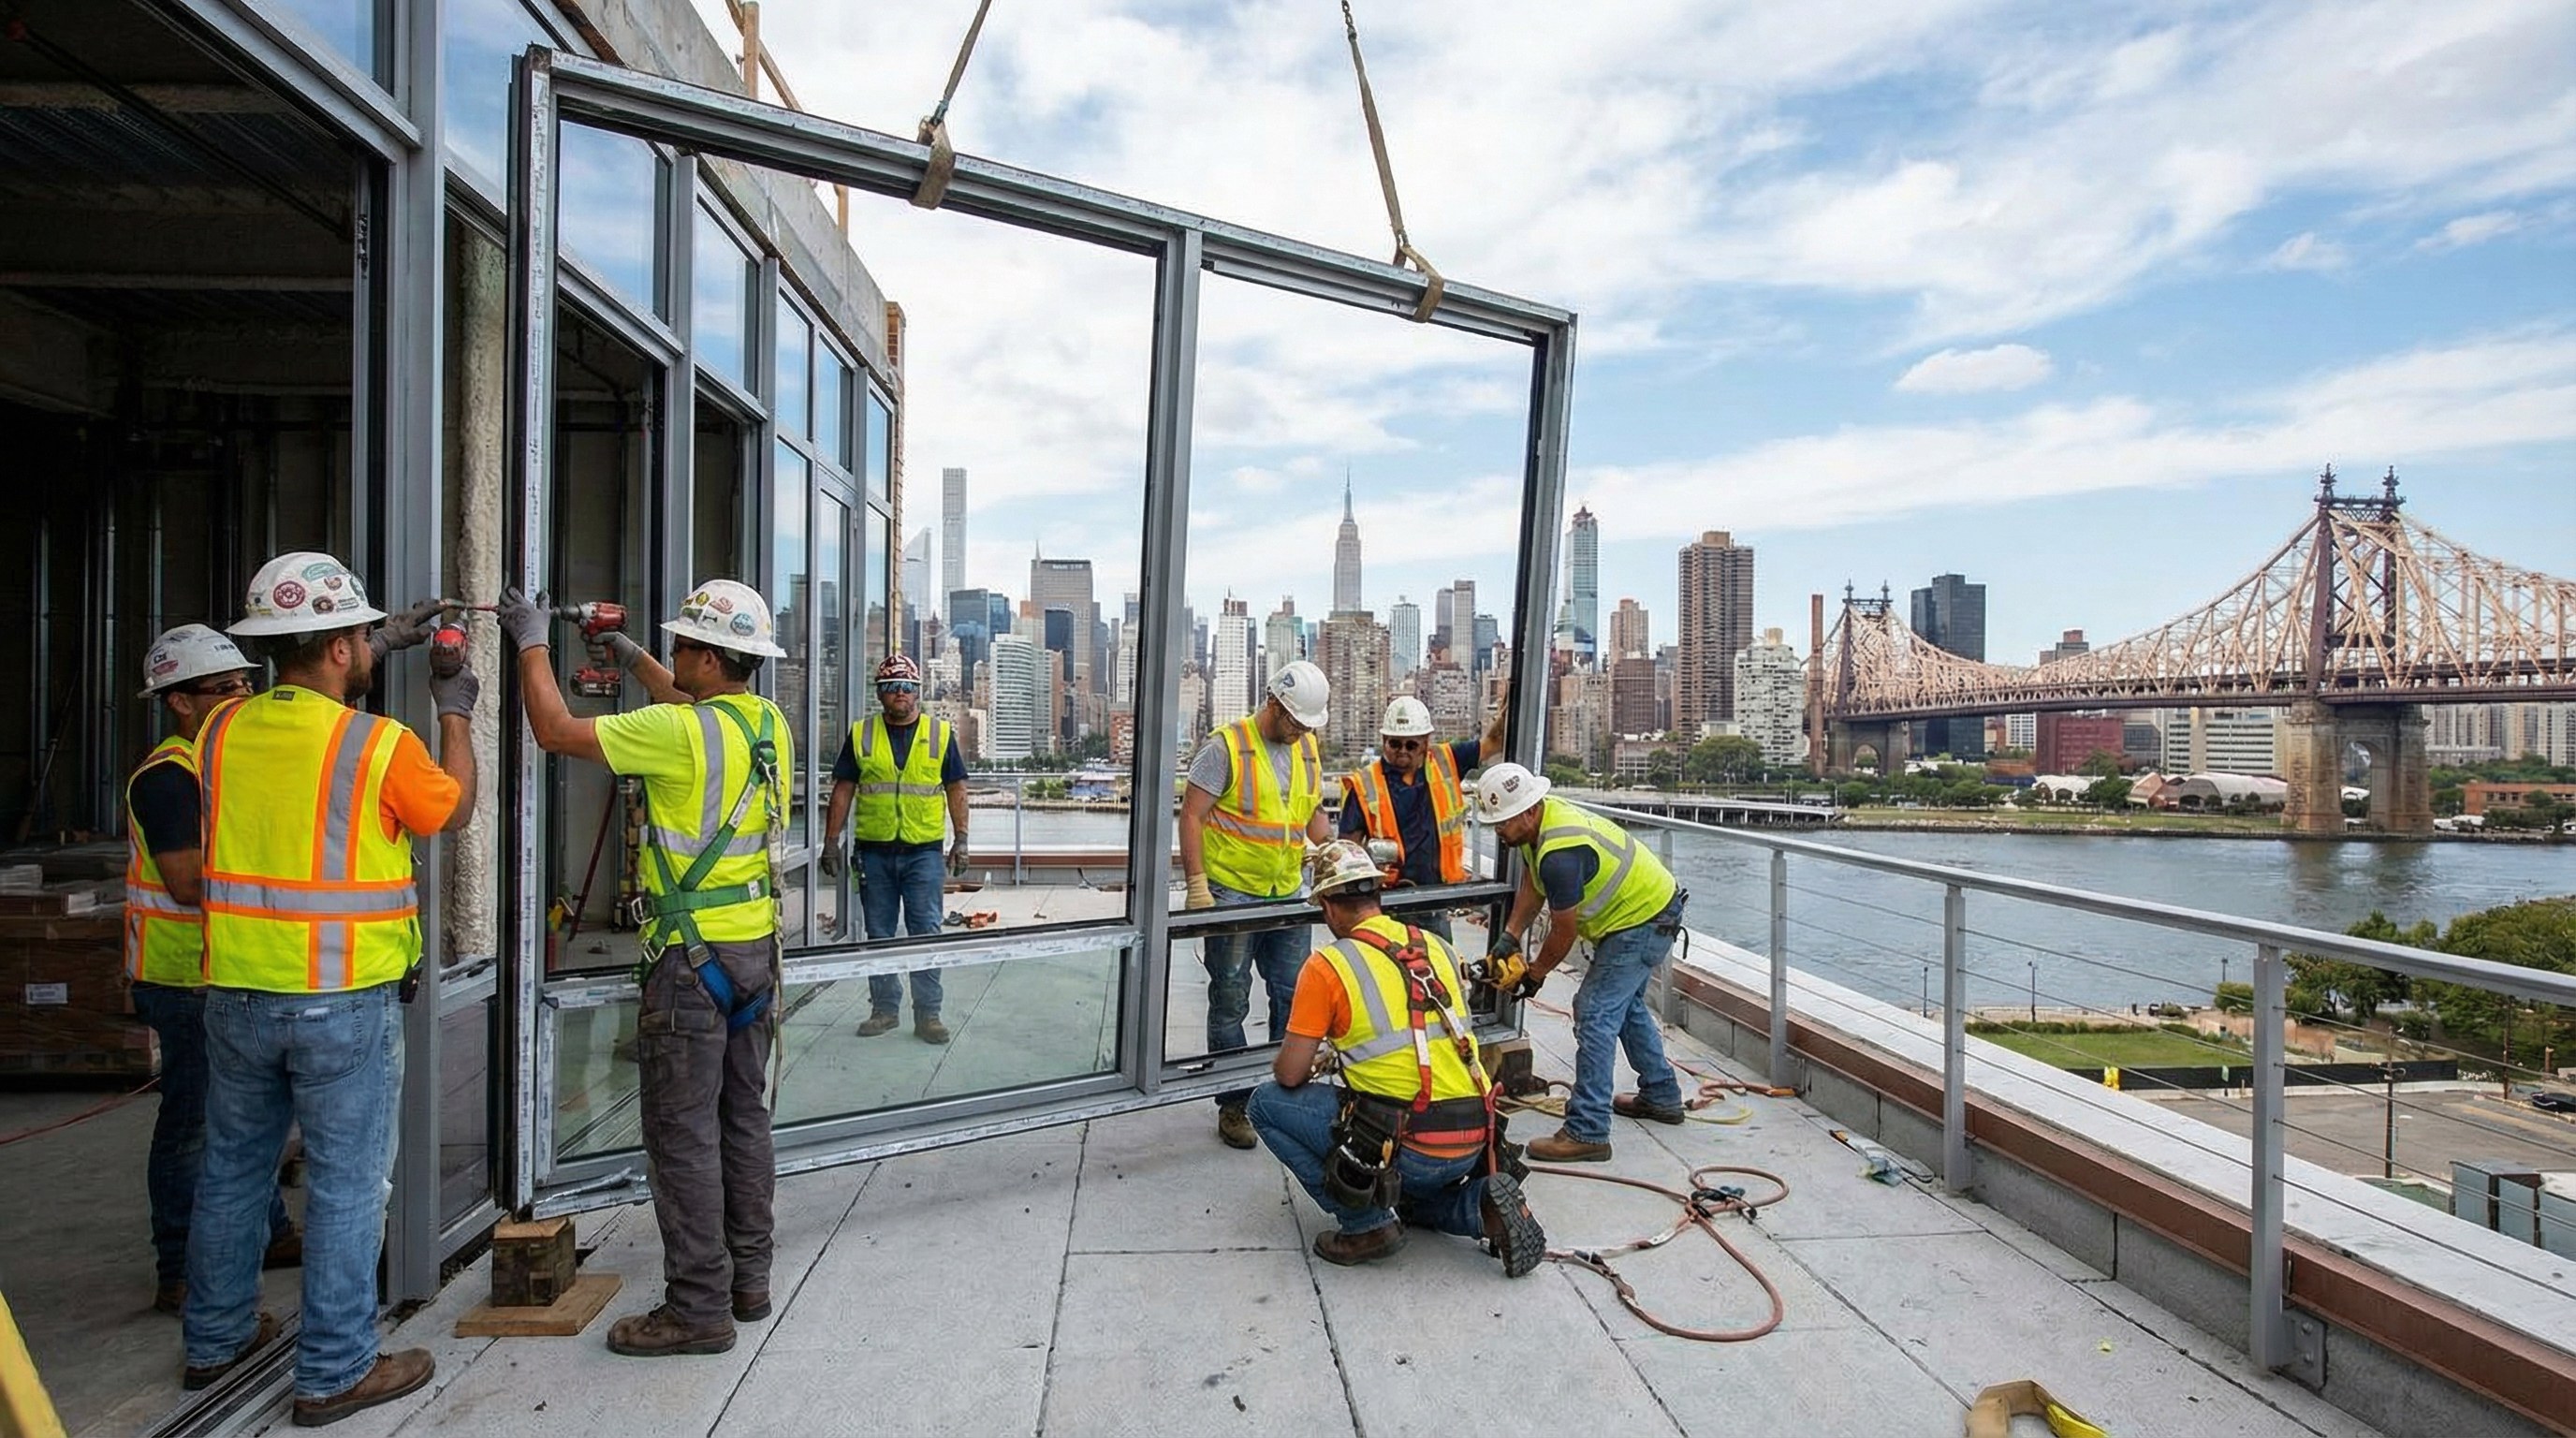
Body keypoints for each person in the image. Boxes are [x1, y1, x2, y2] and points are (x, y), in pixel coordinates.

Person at [183, 554, 473, 1426]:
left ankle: (216, 1340)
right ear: (342, 649)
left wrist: (369, 639)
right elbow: (451, 808)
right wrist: (454, 707)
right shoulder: (379, 743)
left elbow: (302, 714)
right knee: (349, 1185)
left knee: (233, 1172)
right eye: (359, 637)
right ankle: (335, 1370)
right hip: (342, 997)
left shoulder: (218, 732)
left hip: (235, 990)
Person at [505, 580, 791, 1359]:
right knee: (743, 1119)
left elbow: (555, 729)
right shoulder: (765, 723)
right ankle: (748, 1282)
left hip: (688, 968)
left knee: (681, 1137)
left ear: (706, 654)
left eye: (679, 646)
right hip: (752, 958)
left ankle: (698, 1310)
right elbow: (686, 703)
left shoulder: (676, 733)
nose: (671, 656)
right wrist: (625, 654)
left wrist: (530, 640)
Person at [1244, 840, 1545, 1276]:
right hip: (1475, 1135)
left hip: (1409, 1143)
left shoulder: (1328, 965)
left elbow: (1290, 1075)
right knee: (1410, 1193)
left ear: (1327, 907)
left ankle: (1366, 1225)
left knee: (1266, 1104)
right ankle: (1479, 1208)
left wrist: (1324, 1055)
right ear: (1378, 894)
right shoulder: (1436, 945)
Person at [124, 625, 301, 1314]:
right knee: (194, 1125)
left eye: (243, 685)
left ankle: (269, 1234)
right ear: (177, 701)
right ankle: (176, 1264)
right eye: (222, 689)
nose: (239, 698)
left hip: (222, 970)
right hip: (180, 979)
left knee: (246, 1118)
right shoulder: (169, 776)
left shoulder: (219, 762)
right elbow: (189, 883)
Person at [1471, 762, 1687, 1164]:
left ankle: (1588, 1131)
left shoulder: (1561, 852)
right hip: (1645, 913)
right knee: (1626, 1009)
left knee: (1594, 1011)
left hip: (1645, 920)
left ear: (1529, 811)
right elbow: (1533, 885)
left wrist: (1534, 974)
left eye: (1502, 821)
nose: (1497, 830)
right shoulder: (1539, 831)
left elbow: (1562, 932)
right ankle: (1661, 1095)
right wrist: (1510, 936)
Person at [1178, 660, 1335, 1150]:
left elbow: (1310, 812)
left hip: (1287, 889)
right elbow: (1192, 814)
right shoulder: (1226, 746)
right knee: (1230, 995)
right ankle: (1234, 1103)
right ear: (1274, 703)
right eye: (1296, 722)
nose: (1301, 731)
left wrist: (1331, 852)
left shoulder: (1306, 744)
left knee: (1293, 996)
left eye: (1308, 725)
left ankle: (1281, 1094)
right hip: (1234, 891)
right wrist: (1197, 883)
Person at [820, 653, 968, 1044]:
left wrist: (962, 839)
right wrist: (830, 842)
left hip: (924, 853)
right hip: (874, 852)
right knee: (879, 933)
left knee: (926, 931)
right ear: (879, 693)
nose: (899, 693)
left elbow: (956, 789)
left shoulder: (939, 734)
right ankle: (884, 1010)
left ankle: (928, 1015)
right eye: (890, 687)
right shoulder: (862, 734)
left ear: (917, 692)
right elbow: (843, 790)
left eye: (906, 687)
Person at [1337, 696, 1507, 940]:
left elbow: (1493, 741)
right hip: (1387, 902)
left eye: (1411, 745)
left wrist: (1508, 707)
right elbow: (1347, 850)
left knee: (1439, 968)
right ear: (1384, 741)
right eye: (1394, 744)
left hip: (1434, 899)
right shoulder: (1365, 785)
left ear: (1426, 742)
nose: (1402, 751)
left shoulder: (1446, 761)